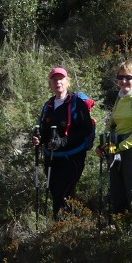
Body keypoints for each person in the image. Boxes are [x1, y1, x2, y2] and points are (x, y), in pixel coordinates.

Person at [33, 66, 93, 215]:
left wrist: (62, 142)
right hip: (52, 158)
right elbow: (44, 130)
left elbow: (85, 130)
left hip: (72, 157)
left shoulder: (77, 104)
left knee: (63, 193)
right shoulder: (48, 105)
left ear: (68, 82)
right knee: (55, 192)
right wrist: (39, 139)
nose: (58, 82)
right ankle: (69, 229)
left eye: (61, 79)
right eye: (54, 80)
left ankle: (61, 230)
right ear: (50, 83)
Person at [100, 60, 132, 215]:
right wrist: (104, 143)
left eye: (128, 77)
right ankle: (121, 230)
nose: (123, 81)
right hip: (117, 147)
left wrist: (120, 147)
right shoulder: (120, 97)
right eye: (120, 77)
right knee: (118, 192)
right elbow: (111, 124)